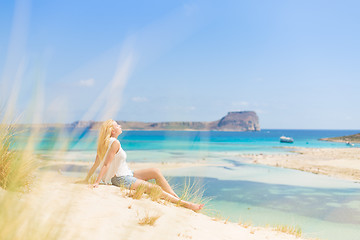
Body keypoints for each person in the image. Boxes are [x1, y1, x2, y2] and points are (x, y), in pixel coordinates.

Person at [80, 119, 204, 211]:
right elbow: (105, 164)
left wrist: (87, 178)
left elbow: (96, 164)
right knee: (155, 189)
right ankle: (187, 205)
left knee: (155, 171)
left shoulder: (104, 143)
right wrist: (96, 182)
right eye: (117, 125)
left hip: (127, 174)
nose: (120, 126)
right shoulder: (115, 143)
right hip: (121, 179)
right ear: (113, 131)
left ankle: (175, 197)